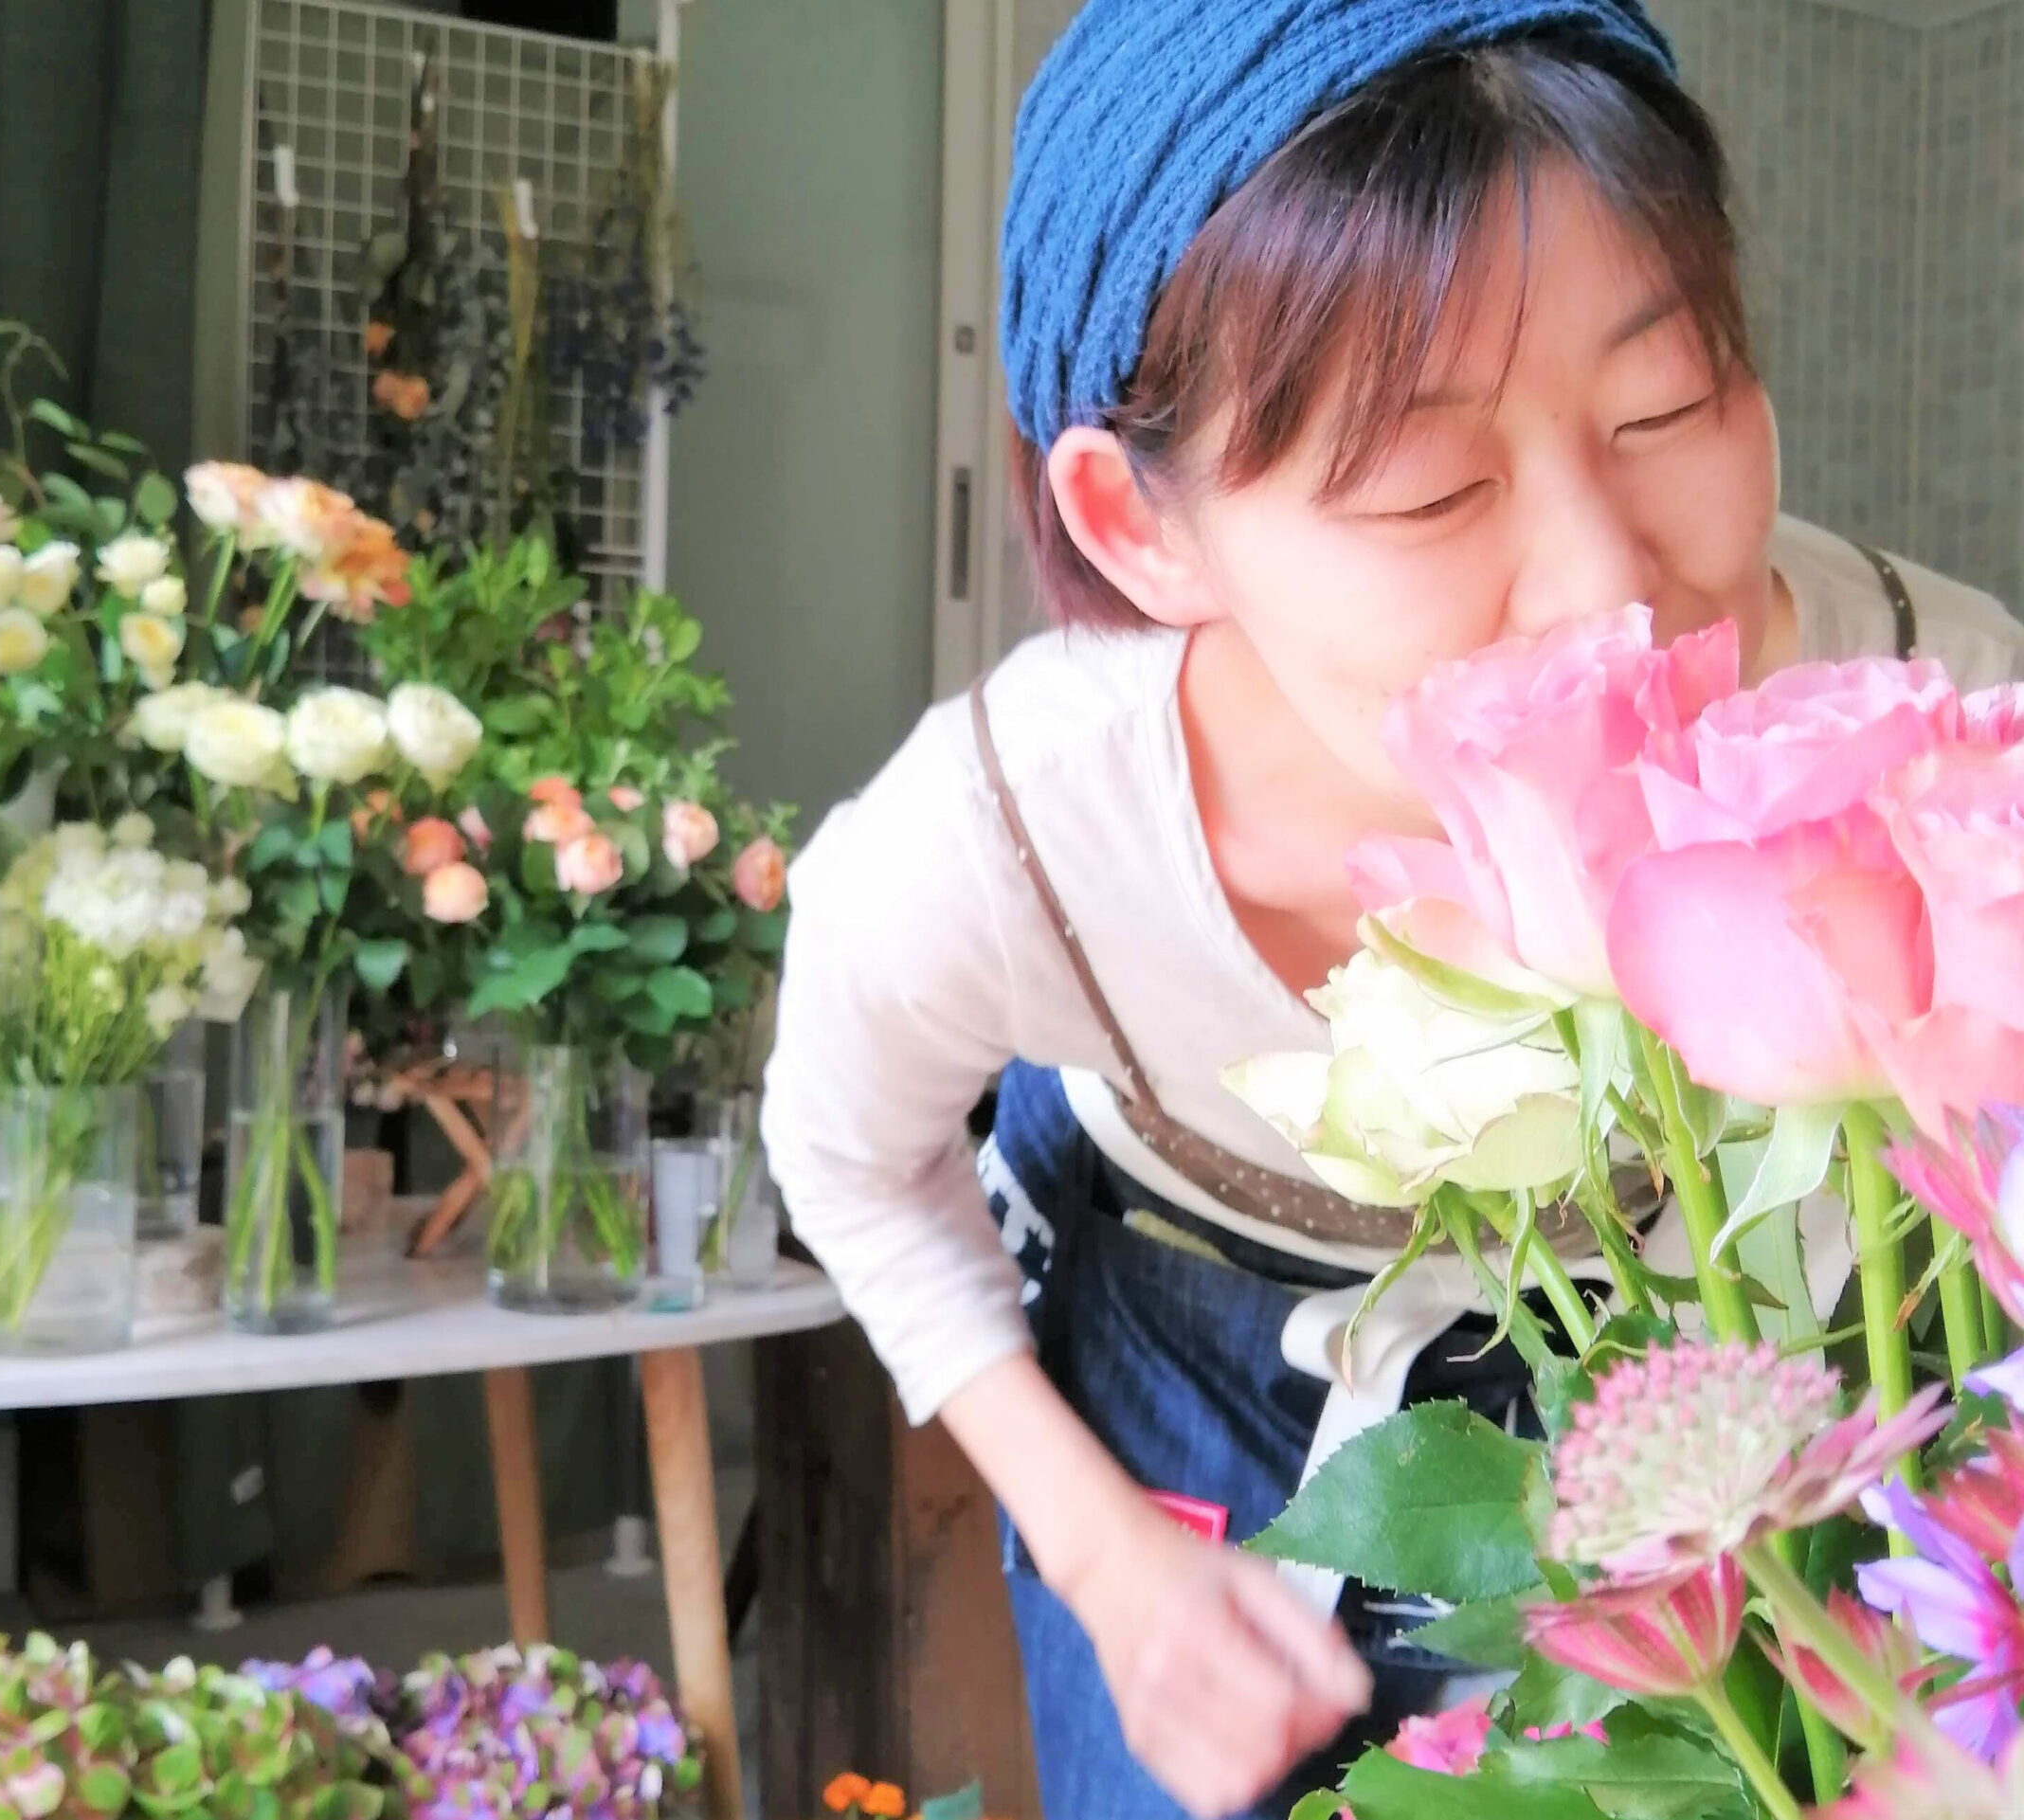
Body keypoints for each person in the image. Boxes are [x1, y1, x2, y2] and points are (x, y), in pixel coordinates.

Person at [760, 4, 2024, 1817]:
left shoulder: (1929, 720)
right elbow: (847, 1158)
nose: (1606, 586)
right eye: (1430, 489)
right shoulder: (1017, 839)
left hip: (1722, 1378)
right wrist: (1107, 1556)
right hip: (1179, 1321)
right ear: (1140, 524)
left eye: (1668, 405)